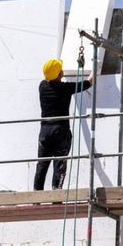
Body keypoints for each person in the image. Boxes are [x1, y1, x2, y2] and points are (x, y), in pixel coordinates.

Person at [34, 59, 93, 190]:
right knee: (59, 163)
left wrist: (55, 66)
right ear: (60, 74)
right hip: (61, 131)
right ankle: (57, 193)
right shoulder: (65, 88)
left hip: (45, 131)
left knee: (42, 164)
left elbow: (47, 75)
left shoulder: (42, 87)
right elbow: (88, 82)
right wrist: (95, 67)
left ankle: (36, 196)